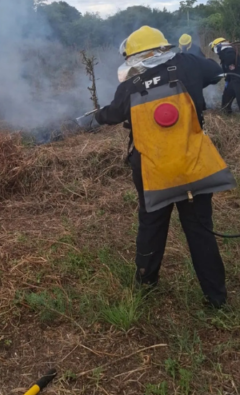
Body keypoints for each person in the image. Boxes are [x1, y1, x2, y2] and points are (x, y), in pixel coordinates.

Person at [92, 26, 229, 308]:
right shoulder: (188, 63)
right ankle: (216, 298)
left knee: (151, 225)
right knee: (200, 230)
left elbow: (113, 114)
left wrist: (97, 115)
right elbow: (217, 73)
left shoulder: (130, 85)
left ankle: (146, 284)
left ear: (135, 57)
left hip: (152, 170)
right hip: (193, 165)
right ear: (163, 48)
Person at [208, 37, 240, 121]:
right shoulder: (225, 53)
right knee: (227, 96)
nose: (216, 53)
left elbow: (230, 66)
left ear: (219, 47)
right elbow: (228, 70)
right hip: (234, 78)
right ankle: (226, 112)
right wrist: (227, 80)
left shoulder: (229, 53)